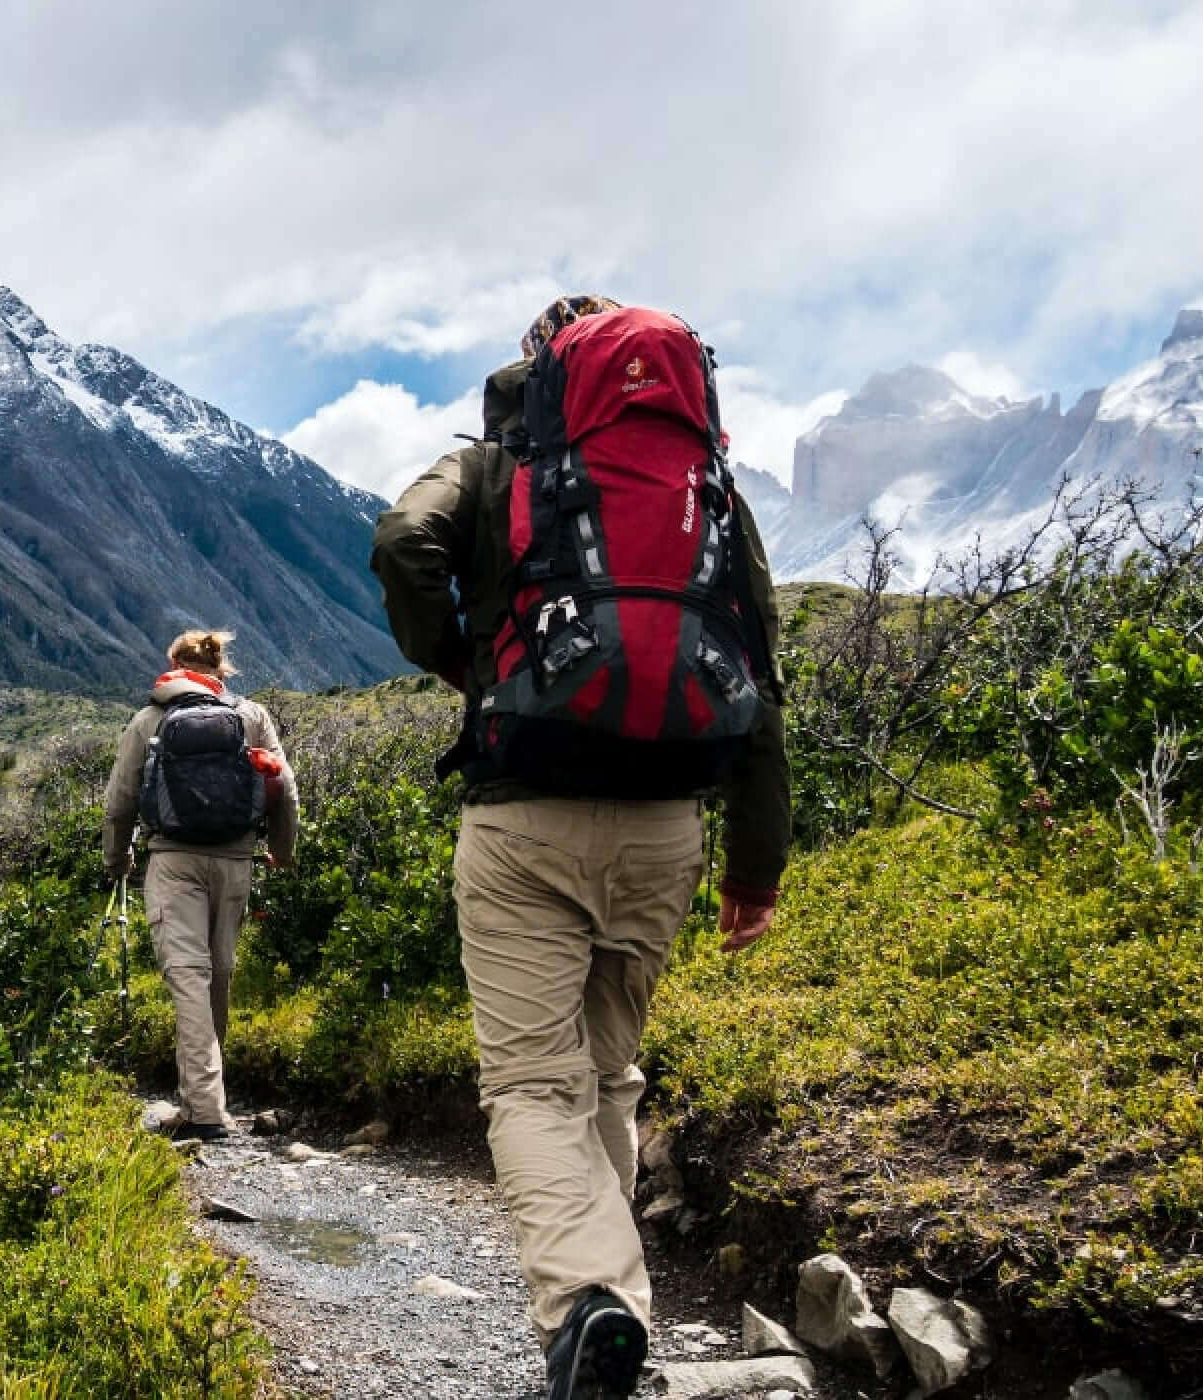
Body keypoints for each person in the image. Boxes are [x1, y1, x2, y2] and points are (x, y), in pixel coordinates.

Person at [370, 296, 790, 1400]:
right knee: (609, 1069)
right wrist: (756, 863)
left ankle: (588, 1303)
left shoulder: (501, 465)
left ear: (542, 368)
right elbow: (757, 663)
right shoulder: (708, 487)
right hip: (668, 822)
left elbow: (399, 543)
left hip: (526, 812)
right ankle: (623, 1321)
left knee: (529, 1085)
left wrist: (470, 663)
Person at [102, 629, 299, 1142]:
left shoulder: (150, 718)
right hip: (235, 861)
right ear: (221, 668)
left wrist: (118, 858)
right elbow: (285, 788)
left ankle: (205, 1109)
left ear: (173, 665)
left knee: (188, 975)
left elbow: (119, 801)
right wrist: (282, 850)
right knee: (218, 974)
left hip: (173, 862)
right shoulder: (251, 716)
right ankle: (208, 1098)